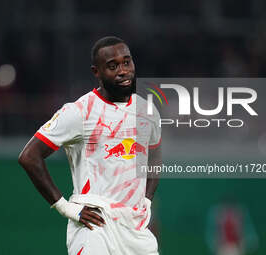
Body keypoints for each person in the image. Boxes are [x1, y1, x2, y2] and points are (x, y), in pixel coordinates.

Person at [18, 36, 161, 255]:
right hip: (95, 225)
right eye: (112, 66)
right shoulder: (79, 112)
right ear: (97, 72)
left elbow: (154, 158)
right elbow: (29, 156)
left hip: (135, 230)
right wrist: (66, 208)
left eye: (126, 62)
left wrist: (147, 201)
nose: (122, 70)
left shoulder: (148, 112)